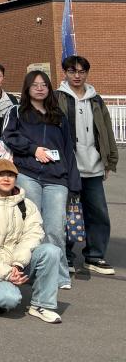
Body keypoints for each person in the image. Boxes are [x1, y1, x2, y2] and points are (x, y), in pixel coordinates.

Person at [1, 70, 80, 290]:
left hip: (57, 179)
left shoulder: (59, 116)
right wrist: (33, 149)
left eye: (44, 85)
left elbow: (68, 150)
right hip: (28, 174)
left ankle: (59, 275)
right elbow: (9, 136)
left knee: (55, 228)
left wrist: (74, 184)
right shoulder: (17, 111)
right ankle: (32, 271)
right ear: (27, 88)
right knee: (32, 227)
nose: (39, 88)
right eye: (35, 85)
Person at [0, 158, 63, 323]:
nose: (6, 179)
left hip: (20, 261)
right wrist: (7, 272)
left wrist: (17, 264)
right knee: (8, 300)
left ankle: (41, 305)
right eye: (0, 175)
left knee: (51, 251)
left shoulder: (26, 204)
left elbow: (33, 235)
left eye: (11, 175)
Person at [57, 55, 117, 276]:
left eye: (81, 71)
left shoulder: (96, 100)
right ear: (65, 73)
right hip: (68, 167)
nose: (77, 76)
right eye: (72, 71)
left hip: (93, 166)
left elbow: (107, 129)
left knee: (98, 213)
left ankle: (95, 256)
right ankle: (66, 256)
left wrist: (110, 159)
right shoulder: (57, 98)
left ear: (87, 74)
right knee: (67, 214)